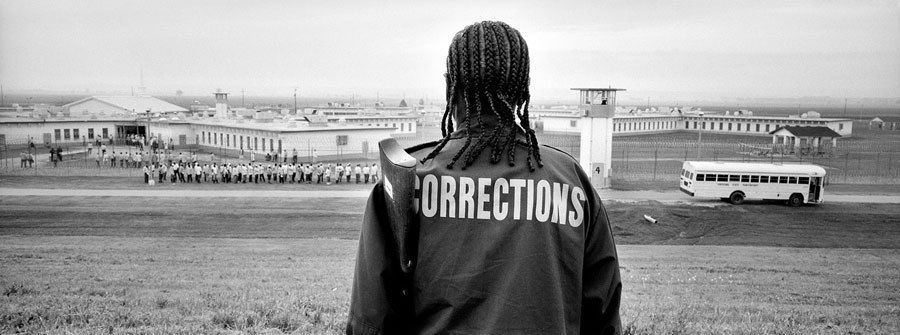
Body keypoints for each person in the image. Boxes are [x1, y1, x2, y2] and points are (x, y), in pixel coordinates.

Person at [347, 21, 622, 334]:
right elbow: (603, 319)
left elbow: (370, 321)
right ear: (523, 87)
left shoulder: (405, 183)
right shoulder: (572, 183)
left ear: (450, 86)